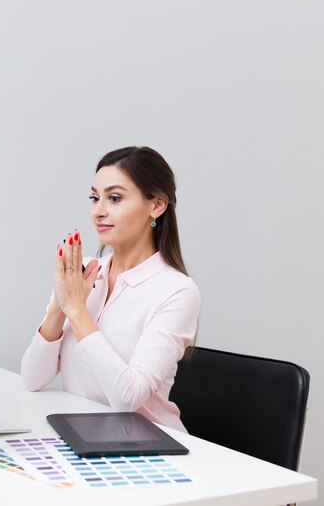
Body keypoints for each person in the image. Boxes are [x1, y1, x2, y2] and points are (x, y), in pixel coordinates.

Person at [21, 146, 201, 432]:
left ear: (156, 206)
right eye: (95, 198)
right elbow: (32, 378)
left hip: (150, 451)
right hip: (84, 437)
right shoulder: (86, 273)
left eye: (114, 198)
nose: (98, 212)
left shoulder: (177, 291)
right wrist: (59, 305)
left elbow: (127, 398)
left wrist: (77, 311)